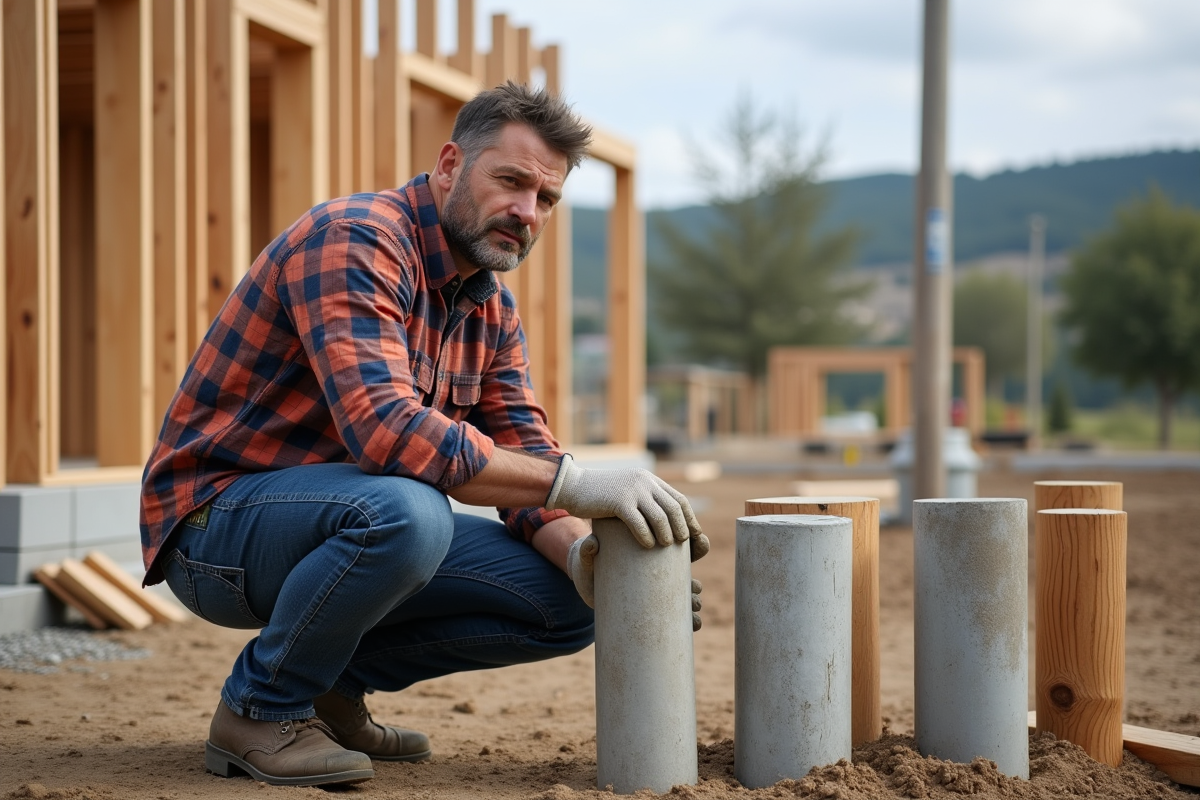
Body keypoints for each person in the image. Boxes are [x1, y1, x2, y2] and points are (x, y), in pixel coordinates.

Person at [139, 82, 708, 788]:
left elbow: (527, 455)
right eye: (512, 181)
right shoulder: (355, 239)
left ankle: (329, 688)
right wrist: (581, 484)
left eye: (546, 199)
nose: (526, 211)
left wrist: (586, 556)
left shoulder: (491, 311)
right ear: (449, 166)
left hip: (346, 520)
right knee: (409, 512)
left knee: (568, 601)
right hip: (214, 531)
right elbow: (387, 433)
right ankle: (260, 709)